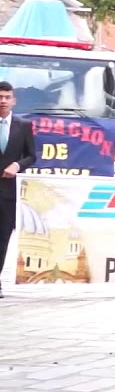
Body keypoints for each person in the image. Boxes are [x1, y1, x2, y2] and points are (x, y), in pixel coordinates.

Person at [0, 81, 35, 299]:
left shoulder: (23, 126)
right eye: (0, 96)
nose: (2, 101)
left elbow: (32, 155)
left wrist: (17, 165)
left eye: (6, 97)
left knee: (2, 238)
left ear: (14, 100)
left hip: (8, 194)